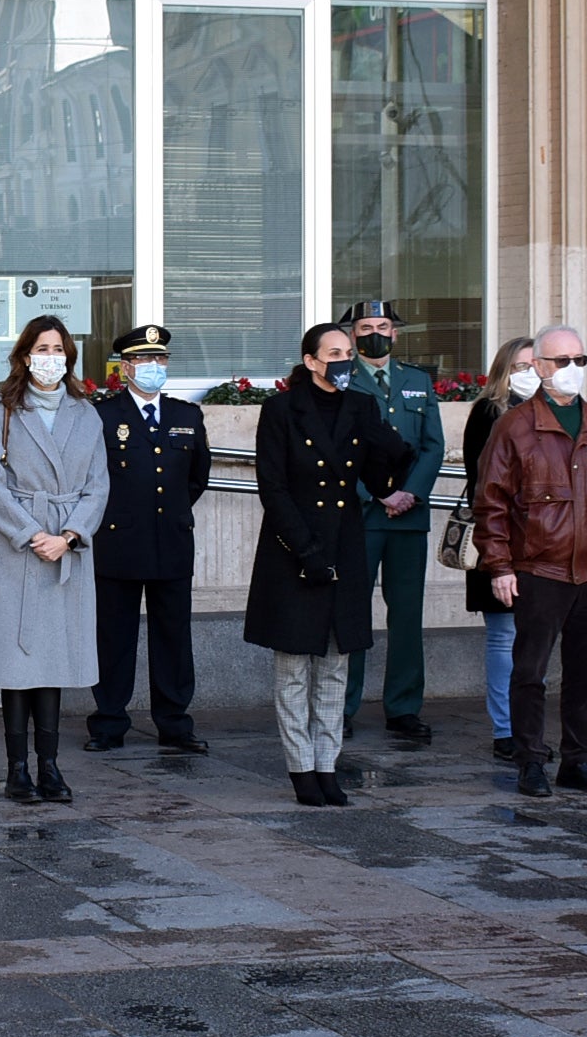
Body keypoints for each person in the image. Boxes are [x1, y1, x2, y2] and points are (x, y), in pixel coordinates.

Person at [245, 322, 409, 806]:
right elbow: (272, 488)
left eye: (348, 352)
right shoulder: (281, 409)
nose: (343, 360)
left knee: (337, 665)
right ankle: (300, 768)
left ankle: (327, 764)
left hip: (345, 547)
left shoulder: (360, 405)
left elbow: (377, 481)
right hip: (293, 549)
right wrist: (305, 551)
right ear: (311, 360)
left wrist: (392, 448)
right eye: (333, 353)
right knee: (295, 666)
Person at [476, 324, 587, 799]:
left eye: (580, 361)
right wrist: (501, 566)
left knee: (584, 674)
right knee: (529, 671)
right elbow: (492, 501)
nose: (573, 371)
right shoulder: (515, 426)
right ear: (541, 367)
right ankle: (530, 760)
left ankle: (578, 760)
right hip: (538, 567)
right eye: (562, 361)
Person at [0, 315, 111, 804]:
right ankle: (16, 769)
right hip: (20, 548)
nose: (50, 357)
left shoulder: (86, 412)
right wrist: (33, 533)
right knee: (17, 661)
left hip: (67, 551)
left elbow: (99, 485)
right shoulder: (5, 408)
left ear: (68, 356)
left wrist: (70, 535)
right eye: (42, 348)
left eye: (58, 349)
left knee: (54, 662)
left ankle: (50, 766)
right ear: (25, 354)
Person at [87, 325, 213, 754]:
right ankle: (108, 723)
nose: (153, 367)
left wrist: (172, 515)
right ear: (125, 368)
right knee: (114, 638)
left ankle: (175, 724)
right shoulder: (102, 415)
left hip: (173, 543)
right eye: (144, 360)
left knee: (174, 639)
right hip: (118, 543)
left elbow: (197, 479)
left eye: (160, 360)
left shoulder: (186, 416)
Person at [340, 299, 445, 747]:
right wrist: (377, 493)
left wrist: (409, 495)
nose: (374, 334)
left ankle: (403, 707)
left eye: (382, 326)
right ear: (352, 334)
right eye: (365, 327)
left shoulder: (417, 381)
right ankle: (342, 705)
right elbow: (339, 450)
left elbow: (433, 446)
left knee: (406, 615)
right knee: (351, 613)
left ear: (396, 333)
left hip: (408, 517)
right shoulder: (342, 380)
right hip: (361, 515)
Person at [459, 336, 538, 762]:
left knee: (537, 637)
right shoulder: (489, 412)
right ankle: (506, 728)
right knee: (504, 635)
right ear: (504, 371)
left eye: (535, 364)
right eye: (520, 366)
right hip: (502, 537)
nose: (529, 373)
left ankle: (531, 724)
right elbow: (481, 479)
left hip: (547, 542)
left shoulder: (553, 411)